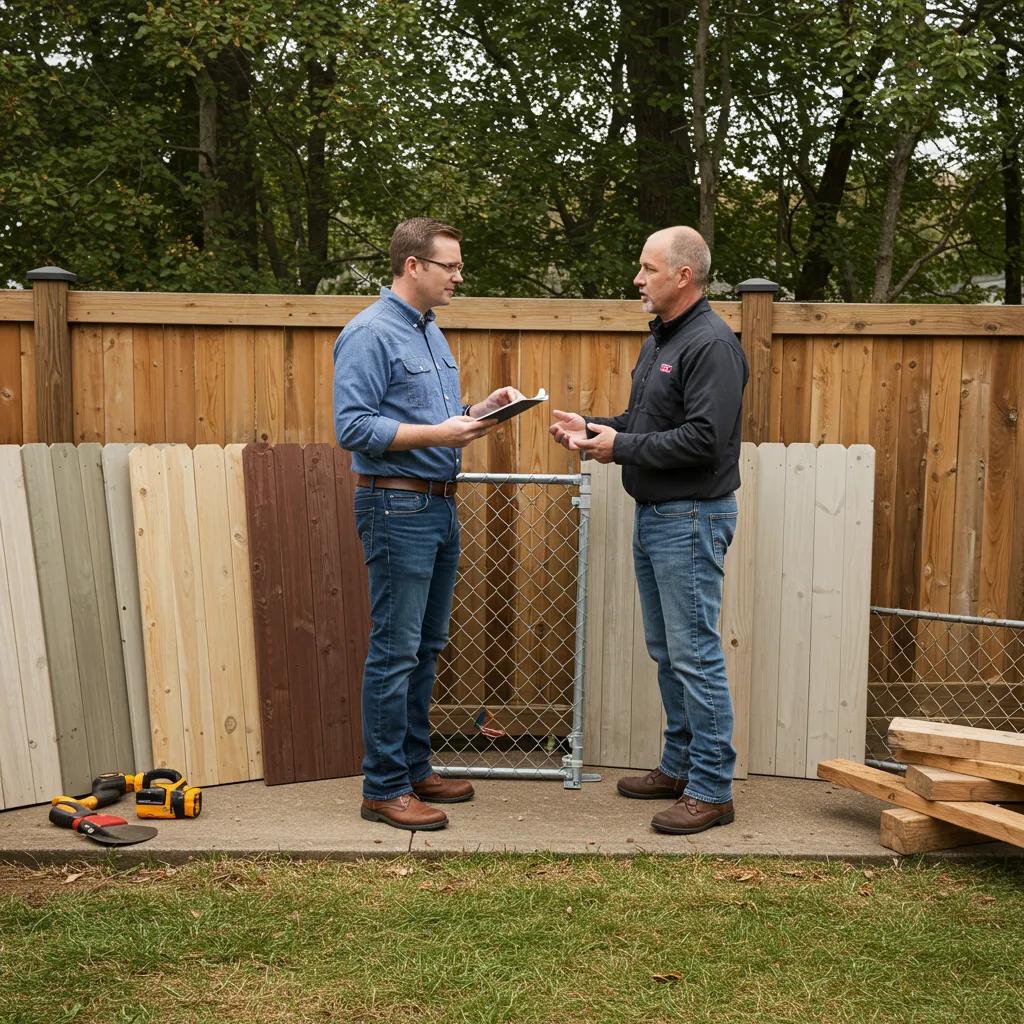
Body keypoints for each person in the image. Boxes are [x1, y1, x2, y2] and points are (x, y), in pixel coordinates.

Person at [550, 226, 748, 835]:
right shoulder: (664, 337)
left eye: (647, 268)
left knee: (694, 654)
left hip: (690, 516)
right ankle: (679, 766)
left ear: (683, 276)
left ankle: (711, 789)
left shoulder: (710, 344)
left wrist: (621, 447)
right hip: (660, 516)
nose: (637, 279)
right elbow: (645, 423)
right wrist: (593, 429)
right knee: (669, 652)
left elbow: (704, 440)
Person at [334, 217, 521, 831]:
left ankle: (414, 769)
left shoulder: (430, 331)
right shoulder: (369, 333)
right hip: (397, 507)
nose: (459, 277)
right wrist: (441, 434)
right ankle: (383, 787)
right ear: (413, 265)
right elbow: (353, 427)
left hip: (439, 505)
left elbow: (430, 419)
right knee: (395, 651)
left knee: (426, 646)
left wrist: (478, 412)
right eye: (451, 266)